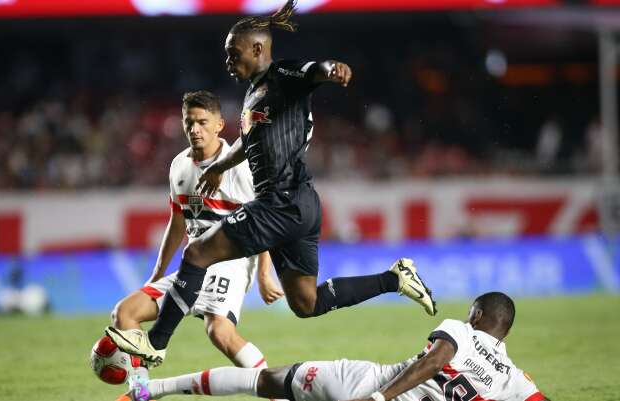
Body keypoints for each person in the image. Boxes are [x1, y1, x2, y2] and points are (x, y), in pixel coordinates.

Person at [105, 0, 436, 369]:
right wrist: (220, 168)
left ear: (258, 49)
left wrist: (333, 69)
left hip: (281, 200)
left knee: (196, 253)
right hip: (301, 203)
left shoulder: (284, 76)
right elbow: (250, 145)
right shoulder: (254, 95)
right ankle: (394, 279)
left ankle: (156, 343)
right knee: (306, 303)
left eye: (234, 54)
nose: (229, 62)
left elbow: (315, 71)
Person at [101, 90, 284, 381]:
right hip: (193, 264)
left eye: (202, 122)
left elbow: (263, 219)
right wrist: (157, 273)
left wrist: (264, 274)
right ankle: (141, 390)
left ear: (219, 125)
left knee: (219, 331)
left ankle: (277, 391)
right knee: (124, 313)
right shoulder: (179, 166)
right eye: (189, 123)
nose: (195, 129)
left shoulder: (240, 166)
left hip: (233, 259)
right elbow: (177, 223)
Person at [122, 292, 550, 401]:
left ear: (477, 315)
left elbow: (438, 358)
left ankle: (152, 390)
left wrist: (382, 395)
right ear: (506, 333)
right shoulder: (512, 378)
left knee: (268, 381)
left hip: (364, 385)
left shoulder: (460, 329)